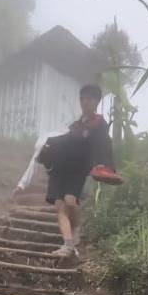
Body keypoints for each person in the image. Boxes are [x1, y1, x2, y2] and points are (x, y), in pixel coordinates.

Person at [36, 84, 122, 258]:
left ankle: (77, 231)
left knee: (69, 201)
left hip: (78, 170)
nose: (84, 102)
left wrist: (104, 166)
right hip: (59, 169)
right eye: (82, 99)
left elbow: (103, 146)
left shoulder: (99, 124)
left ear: (97, 101)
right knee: (60, 205)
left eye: (89, 99)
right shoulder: (75, 125)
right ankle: (68, 245)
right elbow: (64, 141)